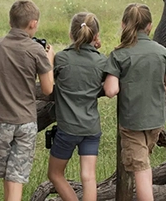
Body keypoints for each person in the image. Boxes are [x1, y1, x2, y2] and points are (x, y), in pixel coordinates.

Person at [0, 0, 55, 201]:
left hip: (1, 121)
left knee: (7, 176)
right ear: (33, 24)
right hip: (25, 121)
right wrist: (49, 61)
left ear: (10, 21)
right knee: (16, 177)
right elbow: (47, 89)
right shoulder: (36, 50)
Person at [102, 3, 166, 201]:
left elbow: (110, 91)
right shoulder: (163, 52)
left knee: (141, 171)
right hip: (156, 121)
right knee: (144, 165)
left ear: (124, 24)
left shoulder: (119, 54)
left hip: (133, 121)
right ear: (150, 26)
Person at [47, 12, 107, 201]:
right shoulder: (101, 61)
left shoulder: (62, 59)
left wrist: (49, 58)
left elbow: (48, 85)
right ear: (95, 36)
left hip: (68, 129)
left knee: (55, 174)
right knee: (89, 177)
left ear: (71, 34)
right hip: (91, 128)